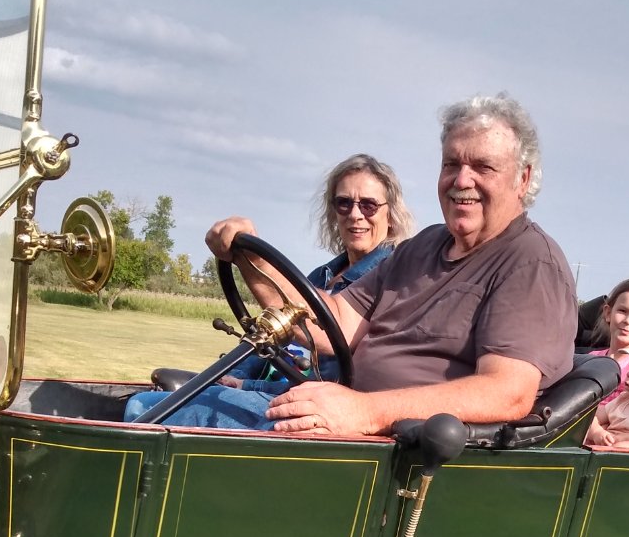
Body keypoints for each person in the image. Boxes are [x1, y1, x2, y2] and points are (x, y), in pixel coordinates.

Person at [196, 93, 577, 439]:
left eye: (483, 166)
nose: (462, 180)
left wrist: (365, 411)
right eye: (451, 164)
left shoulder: (531, 262)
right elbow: (334, 326)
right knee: (179, 402)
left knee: (181, 418)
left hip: (398, 445)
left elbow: (506, 393)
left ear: (522, 178)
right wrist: (254, 260)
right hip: (345, 420)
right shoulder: (424, 245)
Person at [124, 155, 413, 425]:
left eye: (368, 205)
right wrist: (231, 377)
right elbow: (268, 337)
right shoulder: (320, 278)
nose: (355, 214)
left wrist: (247, 386)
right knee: (148, 400)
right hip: (274, 393)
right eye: (344, 203)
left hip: (312, 411)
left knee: (141, 407)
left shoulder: (390, 282)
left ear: (390, 215)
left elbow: (329, 381)